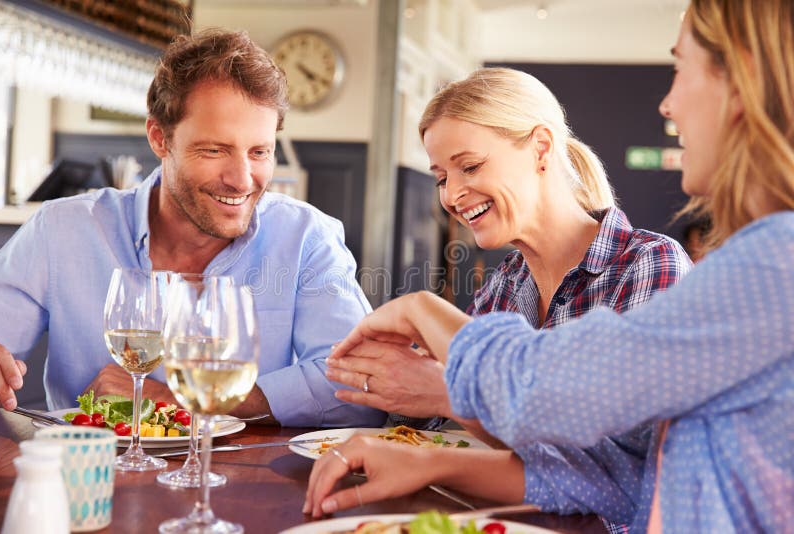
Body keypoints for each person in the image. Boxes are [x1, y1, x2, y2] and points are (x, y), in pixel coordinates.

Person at [304, 0, 794, 531]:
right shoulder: (505, 285)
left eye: (679, 68)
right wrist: (432, 458)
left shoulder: (770, 265)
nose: (668, 104)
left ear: (740, 78)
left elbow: (554, 392)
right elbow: (629, 476)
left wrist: (428, 318)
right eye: (442, 175)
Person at [323, 68, 691, 532]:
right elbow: (489, 440)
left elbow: (622, 470)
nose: (453, 195)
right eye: (440, 177)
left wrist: (448, 392)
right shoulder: (505, 285)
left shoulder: (649, 265)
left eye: (470, 167)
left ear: (540, 148)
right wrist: (394, 377)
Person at [0, 29, 386, 429]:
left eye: (259, 152)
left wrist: (185, 400)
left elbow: (361, 392)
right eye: (215, 150)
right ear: (159, 138)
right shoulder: (63, 230)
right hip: (91, 478)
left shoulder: (307, 239)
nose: (242, 179)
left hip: (247, 486)